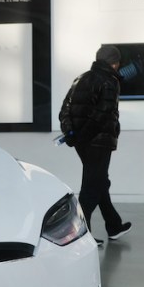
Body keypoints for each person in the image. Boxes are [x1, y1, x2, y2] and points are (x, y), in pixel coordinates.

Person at [58, 45, 132, 246]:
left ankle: (113, 225)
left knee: (99, 182)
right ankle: (80, 235)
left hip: (82, 143)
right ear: (114, 63)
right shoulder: (110, 81)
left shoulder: (80, 78)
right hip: (98, 143)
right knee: (92, 187)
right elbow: (102, 116)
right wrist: (83, 136)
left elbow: (64, 110)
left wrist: (72, 134)